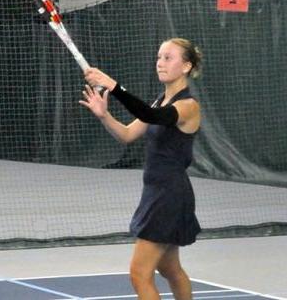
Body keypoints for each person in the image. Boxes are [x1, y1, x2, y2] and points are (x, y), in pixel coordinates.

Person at [80, 38, 203, 300]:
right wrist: (104, 115)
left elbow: (151, 117)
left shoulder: (188, 106)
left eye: (168, 57)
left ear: (186, 66)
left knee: (139, 274)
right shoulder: (160, 100)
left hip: (168, 195)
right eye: (159, 57)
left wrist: (113, 86)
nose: (160, 63)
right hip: (156, 192)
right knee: (170, 268)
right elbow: (127, 134)